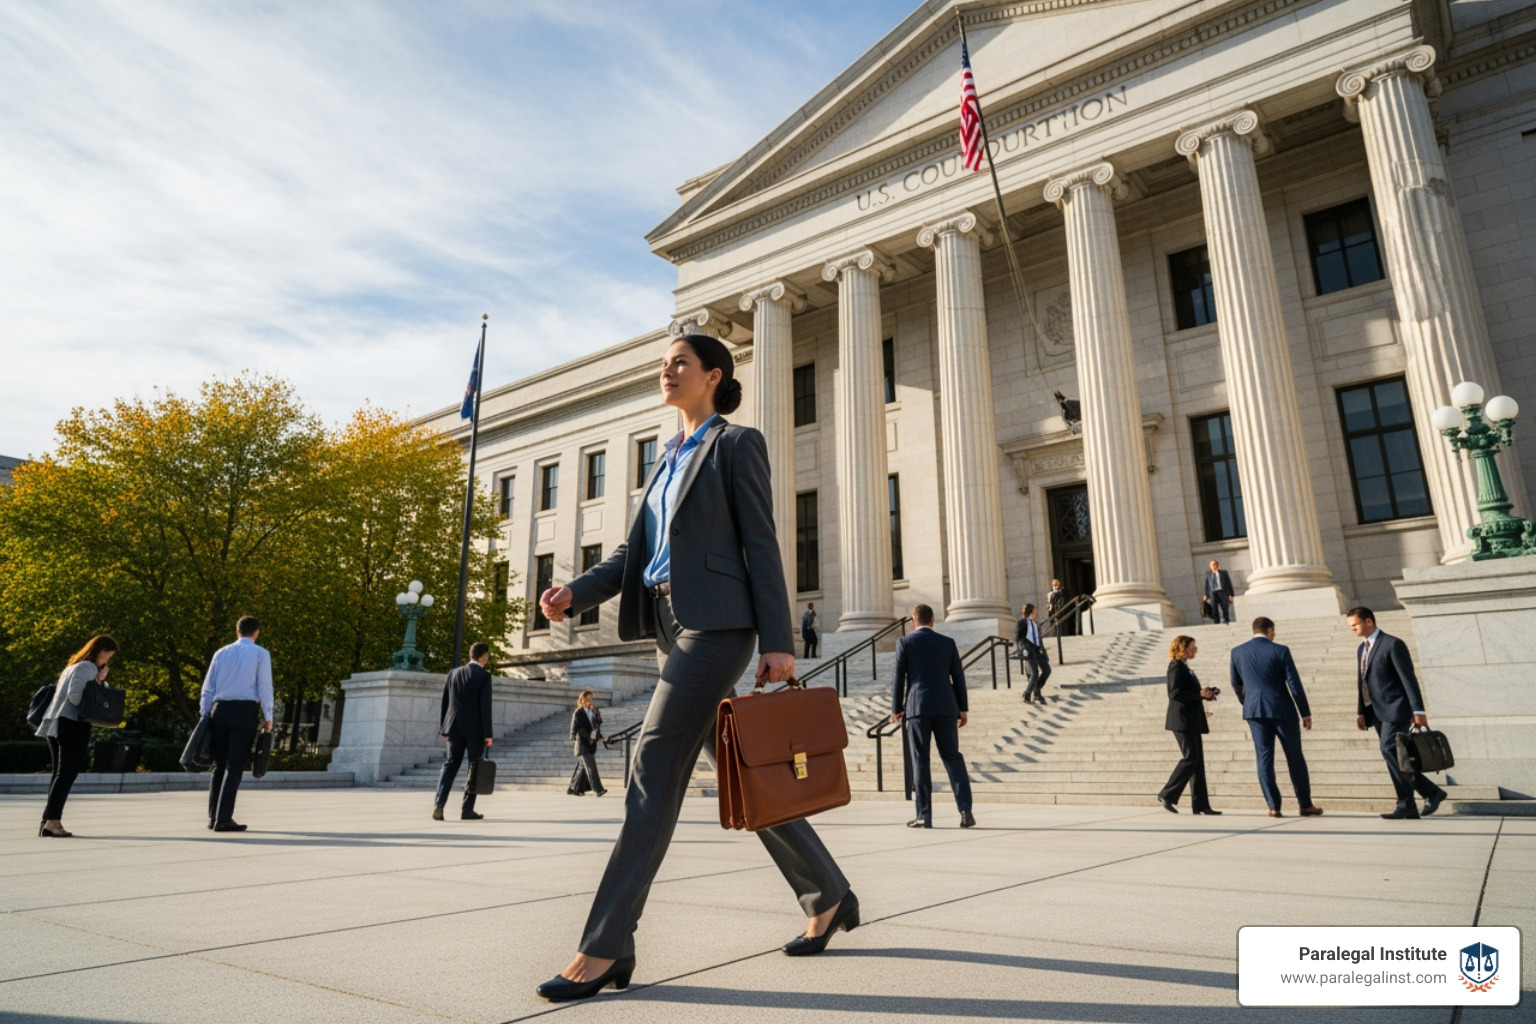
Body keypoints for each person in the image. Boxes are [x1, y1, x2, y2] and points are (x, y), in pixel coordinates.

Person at [533, 333, 854, 1001]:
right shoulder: (663, 460)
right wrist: (573, 593)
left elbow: (762, 539)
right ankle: (829, 893)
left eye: (679, 361)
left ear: (713, 376)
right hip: (665, 623)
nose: (666, 370)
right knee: (742, 768)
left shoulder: (735, 444)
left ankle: (605, 945)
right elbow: (629, 557)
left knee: (652, 764)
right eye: (664, 362)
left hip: (717, 624)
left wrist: (778, 637)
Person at [1348, 607, 1448, 820]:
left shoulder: (1393, 644)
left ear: (1368, 621)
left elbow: (1408, 679)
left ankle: (1424, 794)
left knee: (1389, 749)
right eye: (1350, 626)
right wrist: (1361, 711)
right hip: (1375, 712)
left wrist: (1418, 710)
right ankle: (1410, 804)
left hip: (1396, 709)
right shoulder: (1361, 649)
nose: (1352, 629)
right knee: (1394, 756)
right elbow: (1362, 682)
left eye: (1355, 624)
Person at [889, 604, 974, 830]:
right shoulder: (948, 643)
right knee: (953, 758)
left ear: (913, 621)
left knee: (920, 760)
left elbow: (899, 677)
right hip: (946, 706)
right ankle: (966, 811)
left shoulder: (905, 643)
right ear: (933, 620)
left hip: (918, 708)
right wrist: (962, 708)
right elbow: (958, 677)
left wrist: (896, 708)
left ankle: (923, 815)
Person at [1229, 617, 1323, 818]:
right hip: (1282, 710)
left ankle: (1273, 806)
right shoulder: (1280, 650)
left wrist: (1247, 702)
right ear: (1269, 630)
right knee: (1295, 756)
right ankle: (1305, 804)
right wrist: (1305, 712)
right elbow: (1294, 684)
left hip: (1254, 711)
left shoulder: (1237, 652)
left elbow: (1235, 683)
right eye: (1274, 631)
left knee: (1263, 757)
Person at [35, 636, 118, 837]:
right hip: (72, 724)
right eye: (108, 653)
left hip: (56, 724)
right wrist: (99, 681)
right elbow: (75, 696)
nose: (108, 658)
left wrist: (99, 679)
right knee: (66, 774)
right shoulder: (87, 667)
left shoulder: (72, 667)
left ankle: (48, 822)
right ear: (100, 650)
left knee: (59, 775)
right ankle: (52, 822)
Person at [199, 616, 274, 833]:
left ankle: (213, 817)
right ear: (256, 632)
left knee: (219, 765)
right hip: (244, 711)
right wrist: (268, 716)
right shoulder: (261, 654)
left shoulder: (221, 653)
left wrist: (205, 715)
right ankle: (224, 819)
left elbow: (208, 687)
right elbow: (265, 687)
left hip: (219, 709)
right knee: (235, 766)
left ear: (236, 631)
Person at [1157, 635, 1221, 815]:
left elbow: (1189, 692)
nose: (1195, 650)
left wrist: (1206, 692)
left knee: (1197, 762)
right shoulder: (1176, 666)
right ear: (1182, 648)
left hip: (1191, 721)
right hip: (1182, 721)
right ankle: (1167, 794)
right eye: (1192, 647)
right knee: (1191, 758)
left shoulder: (1185, 666)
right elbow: (1175, 693)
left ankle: (1201, 805)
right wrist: (1199, 694)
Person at [435, 641, 495, 821]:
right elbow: (485, 707)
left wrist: (443, 728)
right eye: (488, 655)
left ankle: (439, 805)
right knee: (474, 768)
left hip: (452, 727)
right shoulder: (484, 676)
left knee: (451, 764)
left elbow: (445, 702)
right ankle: (466, 810)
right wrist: (488, 734)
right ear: (483, 656)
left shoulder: (452, 673)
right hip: (475, 730)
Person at [568, 688, 606, 797]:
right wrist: (574, 736)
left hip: (591, 745)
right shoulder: (579, 712)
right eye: (588, 698)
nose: (590, 700)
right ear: (583, 699)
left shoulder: (593, 711)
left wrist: (597, 715)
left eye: (591, 698)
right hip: (582, 745)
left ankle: (573, 788)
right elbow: (576, 728)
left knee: (582, 768)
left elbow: (596, 727)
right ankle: (599, 789)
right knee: (591, 768)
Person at [1015, 603, 1051, 705]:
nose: (1036, 613)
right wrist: (1021, 650)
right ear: (1030, 612)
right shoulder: (1022, 623)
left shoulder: (1035, 624)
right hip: (1029, 651)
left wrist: (1044, 653)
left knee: (1047, 670)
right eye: (1035, 611)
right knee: (1034, 674)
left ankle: (1036, 688)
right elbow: (1018, 639)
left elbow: (1039, 640)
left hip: (1039, 651)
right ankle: (1029, 694)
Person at [1204, 560, 1235, 624]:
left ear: (1217, 565)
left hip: (1222, 592)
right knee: (1214, 608)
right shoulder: (1209, 575)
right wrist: (1206, 595)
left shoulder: (1223, 573)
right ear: (1210, 566)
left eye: (1215, 564)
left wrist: (1231, 594)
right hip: (1213, 593)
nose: (1214, 566)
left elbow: (1228, 583)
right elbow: (1207, 585)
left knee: (1224, 606)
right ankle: (1216, 621)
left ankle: (1226, 619)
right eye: (1212, 565)